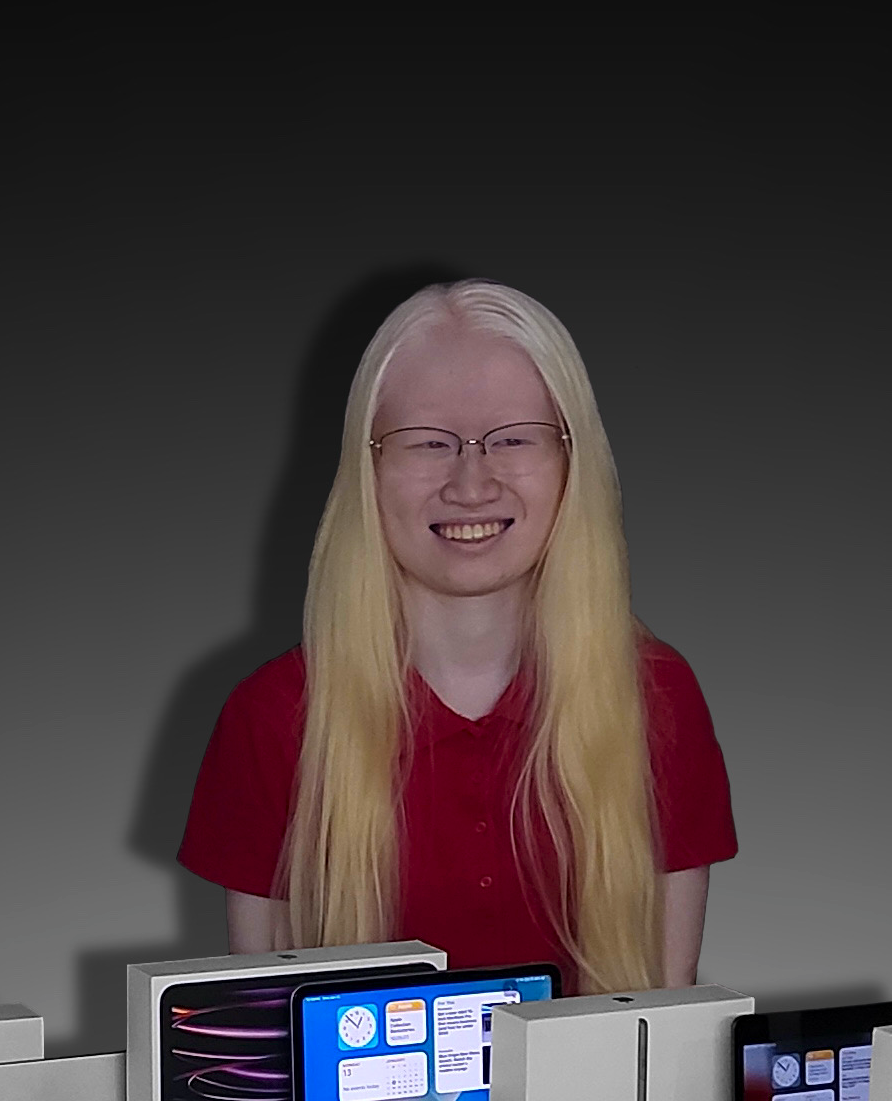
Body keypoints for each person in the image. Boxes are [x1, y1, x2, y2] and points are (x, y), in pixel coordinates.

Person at [178, 280, 734, 992]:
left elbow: (666, 1005)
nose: (471, 484)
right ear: (367, 467)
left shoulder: (658, 698)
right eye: (428, 443)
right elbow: (266, 1035)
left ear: (572, 461)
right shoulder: (271, 717)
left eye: (511, 439)